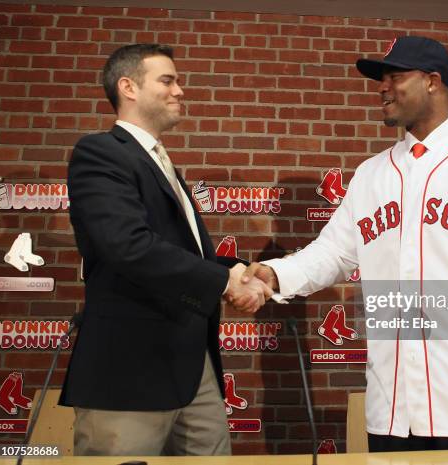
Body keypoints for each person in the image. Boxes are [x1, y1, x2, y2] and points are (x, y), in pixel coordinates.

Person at [238, 36, 448, 451]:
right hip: (392, 407)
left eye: (395, 76)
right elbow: (333, 253)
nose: (382, 87)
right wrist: (274, 273)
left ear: (432, 81)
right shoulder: (371, 173)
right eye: (382, 79)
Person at [59, 43, 271, 456]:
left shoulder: (162, 162)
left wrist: (236, 268)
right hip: (128, 372)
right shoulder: (100, 152)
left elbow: (179, 252)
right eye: (168, 80)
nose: (180, 90)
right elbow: (128, 246)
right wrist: (223, 281)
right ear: (128, 87)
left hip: (195, 367)